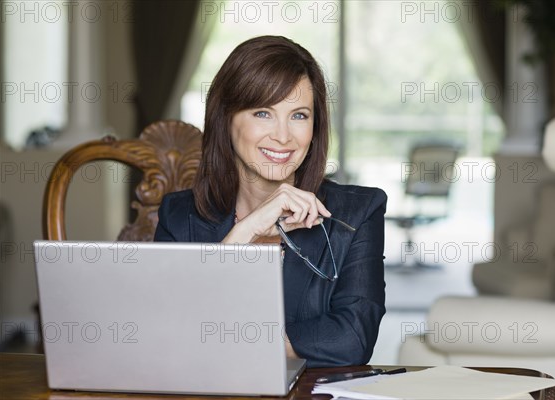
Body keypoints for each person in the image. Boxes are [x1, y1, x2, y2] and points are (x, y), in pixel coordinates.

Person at [154, 35, 386, 367]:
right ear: (226, 118)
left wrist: (224, 339)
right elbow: (162, 333)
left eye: (299, 115)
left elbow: (352, 338)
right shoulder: (179, 216)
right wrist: (243, 233)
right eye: (263, 113)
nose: (282, 136)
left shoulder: (358, 212)